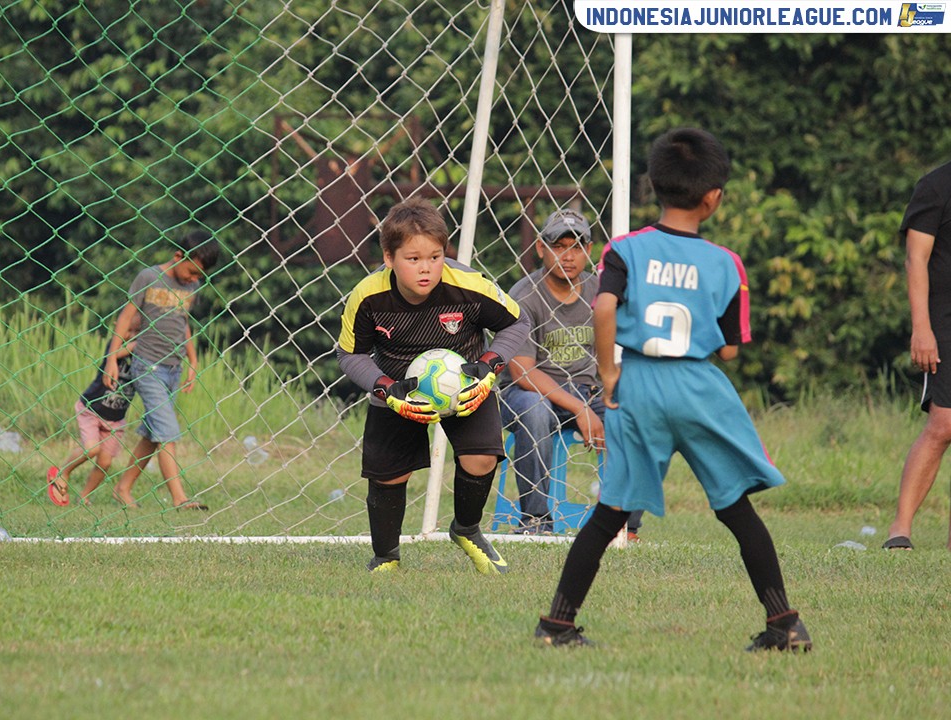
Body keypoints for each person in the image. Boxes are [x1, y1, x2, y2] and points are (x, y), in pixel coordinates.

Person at [534, 128, 812, 652]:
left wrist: (609, 373)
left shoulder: (625, 248)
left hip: (638, 382)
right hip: (699, 385)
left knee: (612, 510)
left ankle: (557, 627)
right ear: (714, 198)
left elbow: (603, 305)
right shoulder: (726, 263)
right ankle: (784, 624)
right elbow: (730, 350)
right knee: (734, 508)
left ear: (654, 186)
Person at [337, 196, 531, 573]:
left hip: (465, 386)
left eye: (435, 257)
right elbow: (349, 355)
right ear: (389, 258)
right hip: (397, 389)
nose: (426, 269)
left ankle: (466, 529)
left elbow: (517, 322)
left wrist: (489, 365)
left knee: (481, 458)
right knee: (390, 474)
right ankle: (386, 557)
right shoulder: (367, 295)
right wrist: (384, 388)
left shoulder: (470, 285)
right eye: (413, 259)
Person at [500, 208, 644, 537]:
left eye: (577, 247)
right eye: (559, 246)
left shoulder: (598, 291)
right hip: (529, 394)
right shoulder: (524, 295)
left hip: (587, 390)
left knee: (640, 407)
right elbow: (522, 371)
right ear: (541, 248)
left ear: (589, 251)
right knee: (534, 411)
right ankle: (536, 521)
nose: (568, 256)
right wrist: (579, 409)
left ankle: (627, 526)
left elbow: (629, 339)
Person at [103, 229, 220, 511]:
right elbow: (127, 315)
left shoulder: (191, 286)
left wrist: (193, 361)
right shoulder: (149, 277)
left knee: (152, 434)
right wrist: (111, 359)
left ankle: (123, 488)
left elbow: (184, 324)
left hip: (173, 369)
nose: (194, 279)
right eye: (191, 271)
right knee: (167, 432)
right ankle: (180, 499)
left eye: (198, 276)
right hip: (147, 366)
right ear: (178, 255)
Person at [885, 158, 951, 552]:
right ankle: (900, 529)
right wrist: (922, 328)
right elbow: (916, 260)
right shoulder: (936, 185)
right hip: (943, 319)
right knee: (943, 424)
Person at [46, 316, 140, 506]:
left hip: (115, 418)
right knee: (92, 449)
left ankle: (84, 495)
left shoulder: (143, 356)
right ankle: (63, 471)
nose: (131, 336)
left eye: (136, 333)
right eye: (127, 331)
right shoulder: (113, 349)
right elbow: (119, 352)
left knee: (105, 462)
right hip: (92, 409)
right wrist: (138, 344)